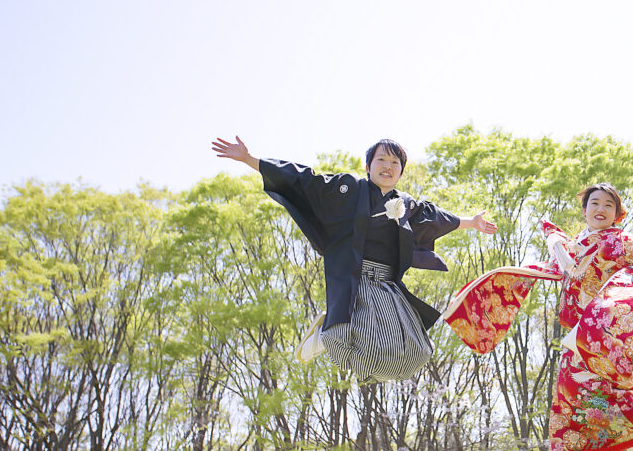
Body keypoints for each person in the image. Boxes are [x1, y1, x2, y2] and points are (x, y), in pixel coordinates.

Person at [442, 183, 633, 451]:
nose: (600, 209)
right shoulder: (572, 245)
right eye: (594, 203)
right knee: (580, 390)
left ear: (618, 215)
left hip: (605, 324)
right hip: (579, 327)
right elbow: (552, 267)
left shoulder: (621, 243)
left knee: (606, 379)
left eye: (608, 205)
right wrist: (508, 270)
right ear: (585, 210)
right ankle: (627, 439)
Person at [211, 136, 496, 382]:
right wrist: (250, 159)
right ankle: (325, 331)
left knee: (417, 353)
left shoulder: (406, 204)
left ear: (401, 171)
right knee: (347, 345)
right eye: (381, 160)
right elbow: (303, 180)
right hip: (353, 282)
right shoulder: (348, 189)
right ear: (368, 166)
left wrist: (472, 222)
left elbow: (437, 219)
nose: (388, 166)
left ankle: (338, 335)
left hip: (386, 287)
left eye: (395, 163)